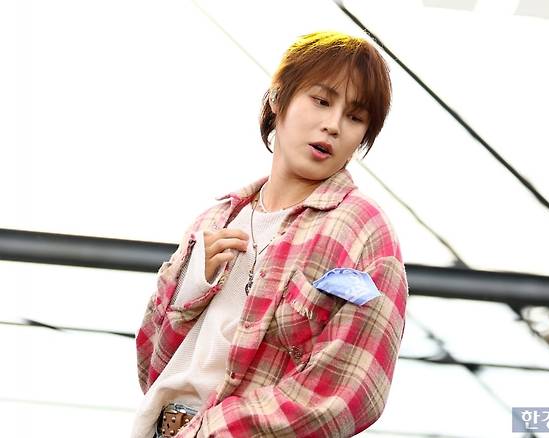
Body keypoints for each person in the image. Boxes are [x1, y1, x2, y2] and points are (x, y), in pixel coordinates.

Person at [133, 30, 408, 438]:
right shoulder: (214, 222)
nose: (333, 125)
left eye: (355, 117)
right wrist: (191, 289)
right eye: (321, 100)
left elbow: (351, 392)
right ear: (278, 98)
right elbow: (151, 368)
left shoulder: (363, 233)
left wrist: (210, 430)